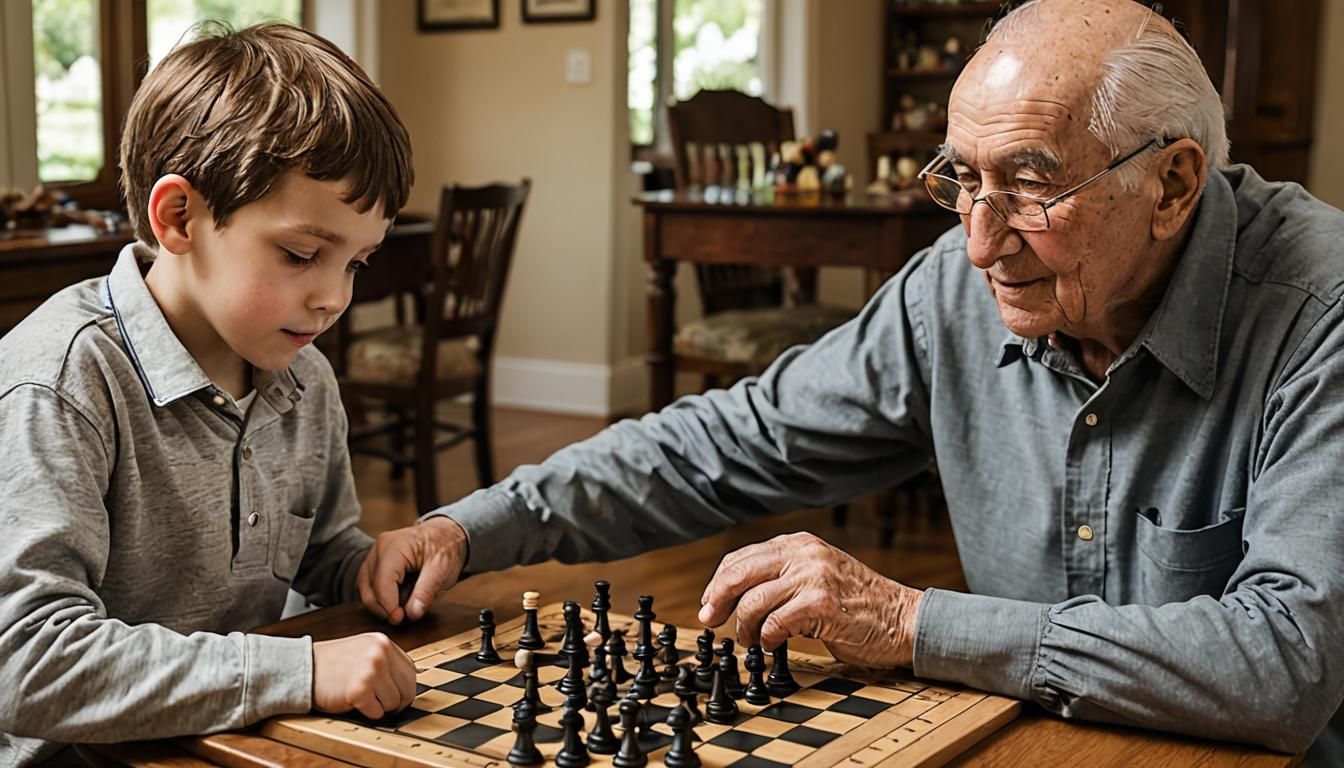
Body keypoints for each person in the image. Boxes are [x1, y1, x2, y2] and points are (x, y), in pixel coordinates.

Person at [362, 0, 1344, 761]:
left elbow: (1284, 666)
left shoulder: (1319, 309)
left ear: (1172, 185)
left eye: (1032, 187)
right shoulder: (948, 298)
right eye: (960, 179)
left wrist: (911, 621)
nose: (979, 241)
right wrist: (471, 526)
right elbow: (730, 441)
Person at [0, 23, 421, 766]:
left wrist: (361, 566)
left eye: (356, 264)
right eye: (301, 255)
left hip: (225, 744)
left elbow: (317, 548)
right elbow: (25, 660)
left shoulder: (304, 376)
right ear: (179, 218)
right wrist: (296, 671)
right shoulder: (62, 383)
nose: (332, 299)